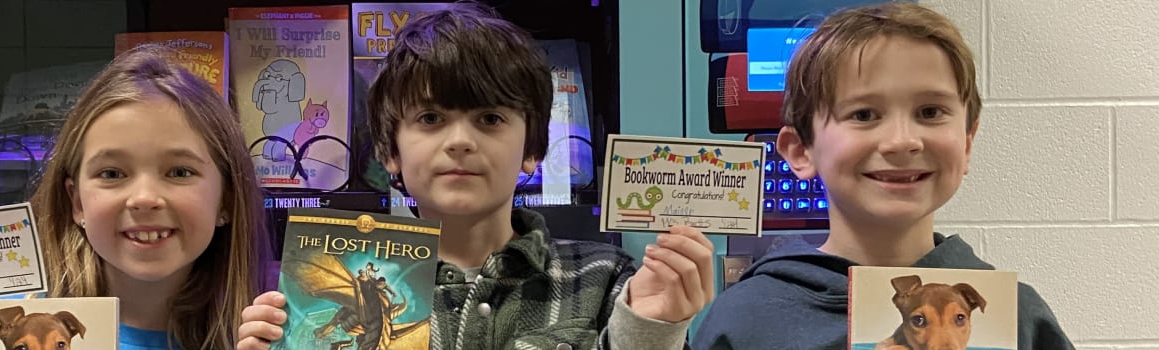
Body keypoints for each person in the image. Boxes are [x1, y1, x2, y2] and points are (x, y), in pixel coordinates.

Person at [236, 3, 715, 350]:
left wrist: (652, 332)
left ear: (533, 149)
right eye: (430, 118)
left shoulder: (603, 281)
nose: (460, 140)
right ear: (390, 152)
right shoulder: (319, 297)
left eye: (489, 119)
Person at [689, 3, 1074, 349]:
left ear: (967, 142)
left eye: (929, 112)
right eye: (864, 115)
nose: (901, 142)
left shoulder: (1020, 318)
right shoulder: (746, 320)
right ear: (800, 151)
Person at [0, 44, 271, 350]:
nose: (143, 198)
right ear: (76, 203)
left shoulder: (280, 330)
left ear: (226, 199)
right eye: (112, 174)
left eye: (179, 172)